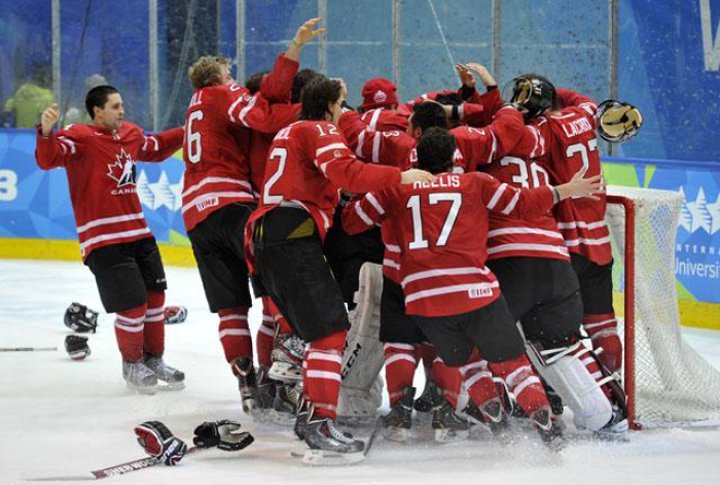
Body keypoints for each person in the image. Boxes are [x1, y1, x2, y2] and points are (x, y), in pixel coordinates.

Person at [341, 127, 603, 448]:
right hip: (474, 292)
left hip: (424, 301)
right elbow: (521, 204)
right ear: (454, 158)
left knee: (470, 363)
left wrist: (375, 184)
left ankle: (499, 429)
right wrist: (565, 189)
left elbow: (352, 222)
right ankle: (549, 431)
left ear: (418, 159)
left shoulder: (396, 188)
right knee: (512, 365)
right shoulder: (475, 183)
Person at [246, 76, 434, 456]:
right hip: (293, 231)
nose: (345, 110)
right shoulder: (319, 129)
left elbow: (330, 181)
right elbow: (346, 172)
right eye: (342, 102)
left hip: (265, 233)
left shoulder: (289, 131)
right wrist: (400, 176)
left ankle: (304, 398)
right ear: (330, 105)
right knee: (331, 334)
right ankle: (320, 422)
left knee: (317, 329)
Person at [181, 18, 321, 415]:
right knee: (279, 272)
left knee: (231, 308)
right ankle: (287, 355)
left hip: (195, 215)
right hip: (230, 203)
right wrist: (311, 111)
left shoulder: (196, 105)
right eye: (230, 74)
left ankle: (247, 385)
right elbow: (262, 115)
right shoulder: (218, 94)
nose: (234, 80)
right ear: (219, 76)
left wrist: (293, 47)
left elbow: (265, 97)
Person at [35, 86, 184, 394]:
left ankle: (153, 359)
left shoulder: (129, 133)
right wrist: (47, 132)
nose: (122, 111)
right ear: (97, 111)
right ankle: (132, 364)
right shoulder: (80, 137)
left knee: (155, 302)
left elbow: (154, 146)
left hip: (139, 234)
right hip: (103, 240)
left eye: (122, 105)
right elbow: (49, 159)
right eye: (115, 106)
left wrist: (188, 129)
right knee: (132, 306)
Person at [508, 75, 623, 377]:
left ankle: (554, 396)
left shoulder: (543, 131)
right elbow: (582, 100)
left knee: (552, 332)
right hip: (599, 245)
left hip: (564, 247)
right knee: (603, 326)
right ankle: (615, 391)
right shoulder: (585, 115)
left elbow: (509, 138)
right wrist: (550, 92)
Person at [4, 63, 53, 128]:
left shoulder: (19, 93)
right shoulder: (47, 97)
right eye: (51, 79)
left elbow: (8, 109)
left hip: (19, 134)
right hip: (37, 135)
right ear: (45, 79)